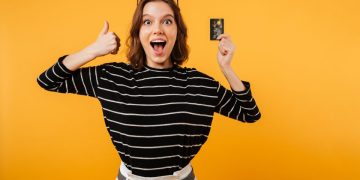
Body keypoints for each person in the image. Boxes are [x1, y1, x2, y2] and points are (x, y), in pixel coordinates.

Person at [37, 0, 261, 179]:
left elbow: (249, 113)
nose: (157, 29)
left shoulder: (200, 84)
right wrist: (93, 50)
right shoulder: (112, 77)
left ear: (178, 33)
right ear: (137, 33)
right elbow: (49, 80)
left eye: (167, 21)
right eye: (147, 22)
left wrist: (226, 68)